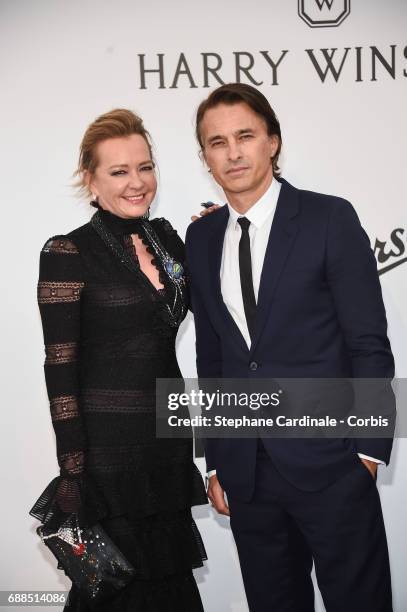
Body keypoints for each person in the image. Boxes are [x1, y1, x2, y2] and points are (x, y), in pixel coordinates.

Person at [185, 83, 394, 612]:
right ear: (205, 156)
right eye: (216, 142)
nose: (232, 152)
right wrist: (212, 458)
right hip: (247, 473)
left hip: (332, 466)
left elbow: (368, 343)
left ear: (272, 141)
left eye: (245, 136)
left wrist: (367, 454)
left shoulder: (329, 219)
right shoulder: (202, 239)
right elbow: (212, 357)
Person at [30, 109, 208, 611]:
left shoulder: (168, 240)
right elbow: (59, 369)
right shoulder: (68, 252)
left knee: (169, 587)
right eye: (119, 171)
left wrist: (216, 230)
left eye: (145, 167)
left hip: (165, 446)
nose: (138, 183)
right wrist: (73, 475)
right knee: (116, 590)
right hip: (107, 458)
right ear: (90, 179)